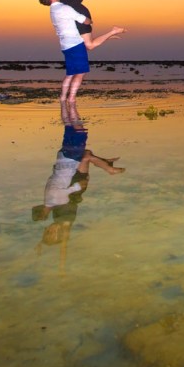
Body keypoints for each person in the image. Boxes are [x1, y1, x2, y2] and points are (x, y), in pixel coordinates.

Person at [32, 103, 123, 272]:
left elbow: (50, 206)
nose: (51, 230)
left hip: (71, 178)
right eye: (52, 234)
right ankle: (107, 167)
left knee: (86, 152)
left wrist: (42, 244)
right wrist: (61, 266)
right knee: (85, 153)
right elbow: (64, 243)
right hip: (77, 186)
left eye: (48, 232)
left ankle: (106, 164)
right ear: (59, 234)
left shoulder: (54, 212)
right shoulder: (65, 223)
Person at [40, 0, 125, 101]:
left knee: (70, 73)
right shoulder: (64, 8)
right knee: (80, 73)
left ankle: (63, 97)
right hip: (75, 43)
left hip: (65, 45)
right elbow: (83, 20)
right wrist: (90, 21)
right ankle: (71, 98)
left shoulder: (53, 11)